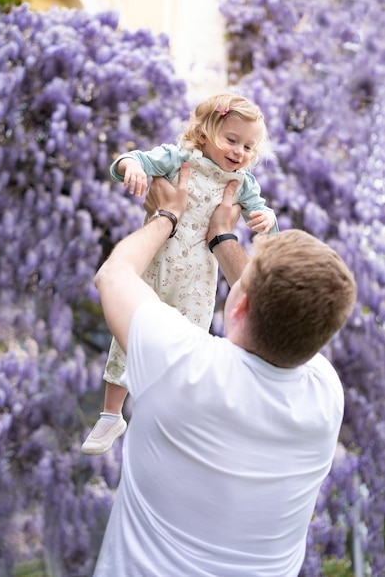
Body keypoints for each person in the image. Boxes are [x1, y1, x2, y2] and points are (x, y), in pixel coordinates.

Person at [91, 166, 357, 577]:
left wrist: (168, 215)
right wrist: (221, 239)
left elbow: (114, 274)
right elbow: (273, 307)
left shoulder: (184, 362)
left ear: (238, 304)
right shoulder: (326, 395)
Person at [82, 93, 279, 455]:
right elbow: (130, 160)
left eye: (248, 146)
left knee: (187, 345)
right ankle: (111, 414)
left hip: (197, 282)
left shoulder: (244, 184)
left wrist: (267, 220)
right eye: (231, 140)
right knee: (129, 334)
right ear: (203, 133)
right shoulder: (179, 158)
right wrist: (134, 169)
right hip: (155, 269)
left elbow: (267, 221)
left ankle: (169, 414)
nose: (239, 151)